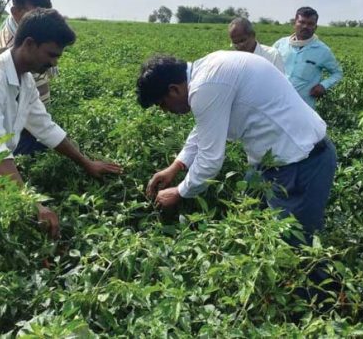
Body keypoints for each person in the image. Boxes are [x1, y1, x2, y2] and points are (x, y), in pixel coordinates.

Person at [0, 8, 122, 239]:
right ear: (29, 44)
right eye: (51, 54)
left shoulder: (26, 81)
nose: (54, 62)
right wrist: (34, 204)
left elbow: (45, 128)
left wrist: (86, 163)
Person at [137, 51, 337, 244]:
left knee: (295, 245)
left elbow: (210, 160)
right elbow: (205, 128)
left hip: (300, 164)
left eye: (162, 104)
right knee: (250, 222)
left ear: (174, 89)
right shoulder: (209, 70)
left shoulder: (205, 86)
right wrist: (177, 165)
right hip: (277, 161)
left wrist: (179, 192)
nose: (165, 111)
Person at [0, 0, 57, 155]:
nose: (42, 20)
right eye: (35, 13)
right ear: (16, 12)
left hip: (34, 119)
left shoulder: (27, 34)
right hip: (21, 129)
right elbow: (14, 108)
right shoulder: (7, 50)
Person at [273, 7, 343, 109]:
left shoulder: (322, 50)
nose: (305, 26)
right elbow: (266, 65)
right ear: (294, 23)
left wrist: (323, 85)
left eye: (310, 24)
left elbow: (338, 73)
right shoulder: (280, 44)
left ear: (315, 27)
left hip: (303, 108)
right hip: (275, 102)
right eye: (302, 22)